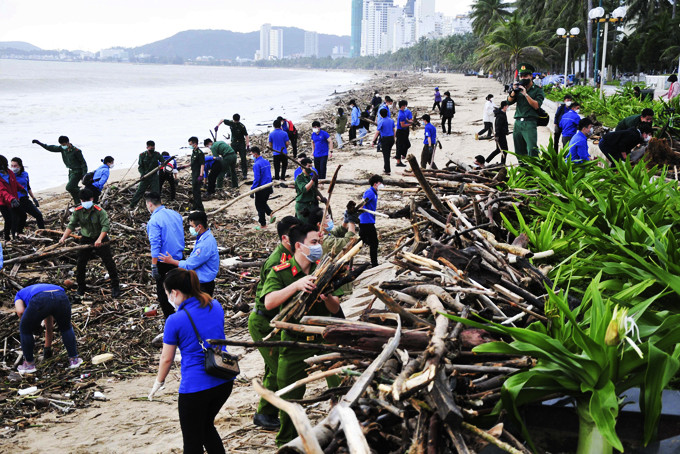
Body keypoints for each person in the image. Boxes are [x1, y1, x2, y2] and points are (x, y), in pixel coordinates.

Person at [260, 224, 344, 447]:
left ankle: (341, 431)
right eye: (314, 243)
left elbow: (336, 308)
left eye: (319, 243)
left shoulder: (324, 269)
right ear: (299, 246)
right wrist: (296, 286)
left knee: (342, 387)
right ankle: (287, 443)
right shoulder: (282, 271)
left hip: (323, 339)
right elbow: (269, 302)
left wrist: (327, 298)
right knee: (290, 398)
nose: (318, 247)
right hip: (294, 343)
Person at [148, 268, 234, 454]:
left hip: (196, 388)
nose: (168, 297)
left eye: (167, 293)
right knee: (205, 427)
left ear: (175, 293)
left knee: (192, 441)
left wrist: (159, 381)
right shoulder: (215, 304)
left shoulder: (174, 320)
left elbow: (167, 358)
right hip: (224, 379)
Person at [247, 216, 301, 431]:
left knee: (274, 369)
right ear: (286, 237)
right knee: (280, 370)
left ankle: (265, 413)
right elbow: (269, 300)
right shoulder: (277, 261)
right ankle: (274, 414)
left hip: (275, 322)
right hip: (263, 322)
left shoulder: (292, 255)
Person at [60, 188, 120, 297]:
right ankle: (81, 287)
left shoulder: (99, 211)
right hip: (86, 238)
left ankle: (115, 286)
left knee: (108, 262)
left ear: (92, 199)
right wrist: (63, 238)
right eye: (83, 201)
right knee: (81, 263)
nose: (85, 203)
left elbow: (105, 226)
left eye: (86, 200)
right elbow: (71, 225)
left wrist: (99, 239)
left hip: (100, 237)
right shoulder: (78, 211)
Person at [15, 284, 83, 374]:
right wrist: (47, 348)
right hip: (60, 295)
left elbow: (20, 311)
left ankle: (29, 364)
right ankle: (74, 360)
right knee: (66, 327)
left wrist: (28, 323)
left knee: (25, 330)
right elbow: (49, 327)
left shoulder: (19, 295)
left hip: (40, 299)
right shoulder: (39, 289)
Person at [159, 211, 219, 296]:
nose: (190, 229)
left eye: (192, 226)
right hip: (202, 282)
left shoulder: (205, 244)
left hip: (203, 285)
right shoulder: (204, 238)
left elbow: (190, 265)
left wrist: (171, 261)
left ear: (199, 226)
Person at [146, 192, 185, 319]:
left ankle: (171, 319)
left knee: (164, 292)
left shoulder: (154, 221)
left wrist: (154, 265)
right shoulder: (175, 214)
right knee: (182, 288)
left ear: (150, 204)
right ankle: (185, 316)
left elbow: (155, 244)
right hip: (179, 258)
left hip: (164, 261)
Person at [32, 136, 87, 205]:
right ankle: (78, 204)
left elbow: (83, 163)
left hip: (77, 172)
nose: (62, 146)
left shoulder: (76, 151)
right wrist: (39, 143)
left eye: (63, 144)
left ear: (68, 143)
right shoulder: (62, 149)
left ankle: (85, 194)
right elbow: (51, 148)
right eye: (61, 145)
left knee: (69, 187)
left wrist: (84, 174)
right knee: (73, 190)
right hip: (70, 171)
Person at [507, 63, 545, 158]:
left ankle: (534, 170)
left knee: (532, 149)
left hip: (530, 122)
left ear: (531, 76)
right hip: (518, 123)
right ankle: (523, 170)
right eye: (521, 76)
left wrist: (526, 94)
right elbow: (508, 102)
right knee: (519, 150)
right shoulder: (518, 89)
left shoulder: (537, 90)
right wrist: (513, 91)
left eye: (525, 76)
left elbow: (536, 105)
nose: (523, 78)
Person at [10, 157, 45, 234]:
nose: (13, 168)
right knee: (20, 218)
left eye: (15, 166)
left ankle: (43, 231)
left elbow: (28, 187)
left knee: (38, 215)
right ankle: (17, 234)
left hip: (25, 199)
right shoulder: (10, 176)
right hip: (15, 201)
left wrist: (34, 198)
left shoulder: (25, 174)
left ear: (20, 166)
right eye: (11, 166)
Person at [216, 114, 251, 180]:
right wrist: (217, 125)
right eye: (235, 121)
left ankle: (244, 174)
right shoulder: (231, 123)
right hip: (234, 143)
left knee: (243, 159)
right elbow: (222, 120)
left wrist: (247, 145)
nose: (236, 122)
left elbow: (246, 135)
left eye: (237, 121)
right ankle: (229, 173)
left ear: (239, 120)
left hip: (241, 144)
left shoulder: (242, 126)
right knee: (231, 158)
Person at [129, 141, 162, 209]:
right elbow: (140, 166)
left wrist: (163, 163)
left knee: (156, 192)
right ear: (147, 147)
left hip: (154, 176)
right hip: (145, 176)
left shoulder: (157, 154)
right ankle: (132, 205)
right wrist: (142, 174)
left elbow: (162, 161)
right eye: (150, 149)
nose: (152, 150)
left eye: (153, 148)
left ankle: (157, 206)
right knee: (140, 191)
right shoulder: (142, 155)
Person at [359, 175, 383, 267]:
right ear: (375, 184)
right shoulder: (370, 192)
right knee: (374, 243)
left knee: (362, 240)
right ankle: (374, 264)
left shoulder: (374, 192)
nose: (382, 185)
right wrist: (360, 208)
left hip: (369, 220)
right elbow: (362, 203)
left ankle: (374, 262)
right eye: (380, 183)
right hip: (366, 221)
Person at [0, 155, 23, 241]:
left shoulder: (10, 172)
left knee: (22, 215)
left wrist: (21, 188)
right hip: (3, 202)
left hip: (13, 199)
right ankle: (7, 238)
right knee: (9, 220)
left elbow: (14, 183)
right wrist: (11, 199)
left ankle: (19, 233)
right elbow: (2, 191)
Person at [251, 147, 274, 230]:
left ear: (255, 154)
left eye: (252, 154)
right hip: (269, 186)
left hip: (261, 188)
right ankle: (271, 213)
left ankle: (263, 224)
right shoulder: (266, 161)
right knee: (263, 203)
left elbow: (257, 178)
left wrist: (252, 189)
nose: (251, 156)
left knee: (259, 206)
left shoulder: (257, 164)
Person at [295, 158, 319, 224]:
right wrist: (313, 180)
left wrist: (321, 199)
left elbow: (314, 192)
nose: (311, 168)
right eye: (309, 166)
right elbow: (304, 189)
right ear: (303, 167)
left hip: (311, 205)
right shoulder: (299, 178)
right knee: (304, 225)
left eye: (311, 166)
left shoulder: (310, 177)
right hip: (302, 205)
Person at [373, 109, 396, 175]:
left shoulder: (381, 121)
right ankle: (386, 167)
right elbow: (394, 130)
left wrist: (373, 140)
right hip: (391, 138)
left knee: (386, 155)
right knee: (388, 153)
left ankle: (387, 170)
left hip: (385, 139)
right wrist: (394, 138)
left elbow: (377, 132)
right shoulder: (391, 120)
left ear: (380, 114)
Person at [188, 137, 205, 211]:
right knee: (194, 190)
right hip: (193, 172)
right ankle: (195, 205)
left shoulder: (200, 153)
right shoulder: (193, 152)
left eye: (191, 144)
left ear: (195, 144)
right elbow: (193, 162)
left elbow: (202, 164)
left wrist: (201, 175)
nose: (190, 145)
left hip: (198, 173)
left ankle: (200, 207)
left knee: (197, 190)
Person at [395, 100, 413, 167]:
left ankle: (400, 156)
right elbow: (402, 125)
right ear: (403, 106)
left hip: (402, 131)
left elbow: (406, 120)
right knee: (399, 146)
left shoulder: (402, 112)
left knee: (406, 144)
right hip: (401, 131)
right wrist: (409, 125)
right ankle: (398, 161)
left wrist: (411, 122)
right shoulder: (402, 114)